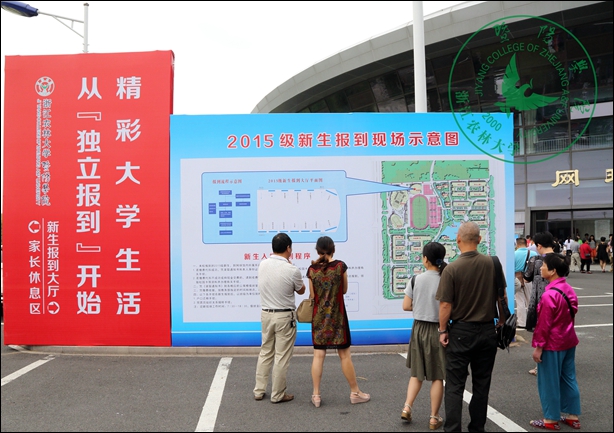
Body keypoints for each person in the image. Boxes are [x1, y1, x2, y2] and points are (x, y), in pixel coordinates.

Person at [436, 221, 505, 432]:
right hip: (487, 331)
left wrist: (443, 330)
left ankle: (453, 429)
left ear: (458, 240)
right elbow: (501, 297)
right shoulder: (493, 264)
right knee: (482, 385)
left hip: (460, 332)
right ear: (479, 240)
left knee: (455, 385)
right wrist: (502, 321)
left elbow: (445, 304)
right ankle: (477, 428)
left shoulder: (451, 269)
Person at [307, 236, 370, 408]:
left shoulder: (312, 270)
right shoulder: (340, 267)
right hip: (338, 317)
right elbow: (344, 290)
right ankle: (355, 392)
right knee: (344, 356)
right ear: (333, 249)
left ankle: (316, 395)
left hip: (319, 319)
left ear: (317, 250)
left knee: (318, 356)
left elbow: (312, 296)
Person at [530, 253, 581, 430]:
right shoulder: (568, 289)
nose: (541, 268)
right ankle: (573, 416)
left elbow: (543, 325)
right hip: (569, 340)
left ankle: (550, 419)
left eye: (544, 265)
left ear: (552, 271)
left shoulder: (549, 295)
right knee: (568, 378)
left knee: (549, 382)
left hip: (552, 344)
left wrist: (538, 347)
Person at [253, 233, 306, 403]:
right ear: (288, 248)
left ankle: (259, 390)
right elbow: (301, 290)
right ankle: (278, 394)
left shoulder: (262, 264)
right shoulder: (292, 269)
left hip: (266, 314)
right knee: (281, 356)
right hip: (284, 316)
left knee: (265, 351)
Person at [401, 242, 447, 430]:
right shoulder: (445, 279)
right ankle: (434, 418)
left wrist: (420, 306)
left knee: (417, 373)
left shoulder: (416, 279)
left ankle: (407, 407)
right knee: (437, 376)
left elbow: (406, 306)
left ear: (425, 259)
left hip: (419, 329)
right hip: (439, 329)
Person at [514, 237, 537, 328]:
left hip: (517, 279)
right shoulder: (534, 254)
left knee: (520, 301)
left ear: (517, 244)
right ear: (526, 244)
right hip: (529, 279)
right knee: (530, 300)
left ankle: (522, 322)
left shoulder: (514, 254)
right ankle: (533, 320)